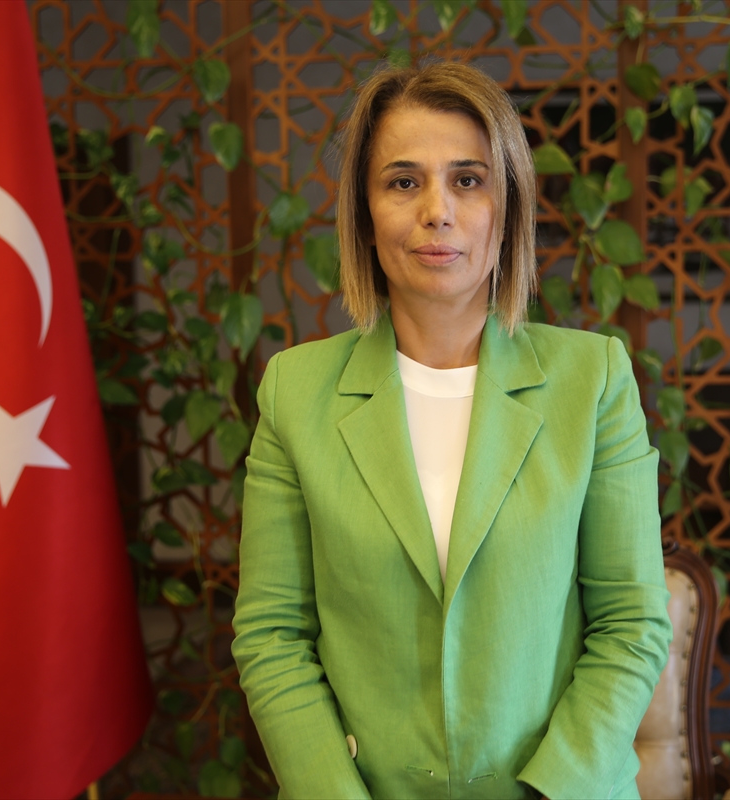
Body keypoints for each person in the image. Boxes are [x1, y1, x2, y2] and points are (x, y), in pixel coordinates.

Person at [232, 60, 671, 800]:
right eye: (403, 181)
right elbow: (272, 636)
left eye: (468, 179)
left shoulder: (593, 380)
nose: (437, 210)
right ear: (365, 213)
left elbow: (631, 625)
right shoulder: (294, 393)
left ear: (509, 206)